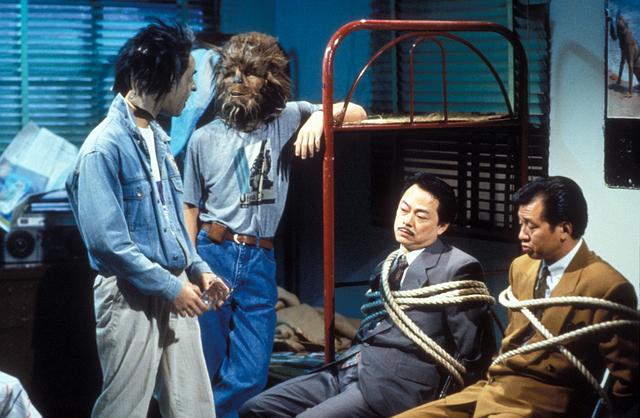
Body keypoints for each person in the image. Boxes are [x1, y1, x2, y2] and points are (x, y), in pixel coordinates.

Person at [182, 32, 367, 418]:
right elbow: (190, 207)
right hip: (212, 253)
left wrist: (318, 116)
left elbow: (358, 112)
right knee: (206, 365)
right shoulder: (203, 139)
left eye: (248, 73)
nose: (237, 81)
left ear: (269, 78)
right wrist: (190, 266)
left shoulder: (285, 119)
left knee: (251, 372)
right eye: (230, 72)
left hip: (259, 259)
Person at [66, 21, 228, 418]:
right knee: (124, 408)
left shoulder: (158, 138)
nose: (194, 87)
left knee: (194, 407)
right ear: (163, 78)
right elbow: (109, 244)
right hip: (130, 295)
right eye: (188, 78)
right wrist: (171, 287)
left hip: (175, 286)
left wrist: (198, 269)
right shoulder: (103, 148)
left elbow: (171, 222)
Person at [239, 173, 493, 418]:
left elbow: (474, 354)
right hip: (351, 368)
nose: (407, 221)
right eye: (404, 210)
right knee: (257, 408)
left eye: (421, 216)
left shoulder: (457, 267)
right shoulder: (387, 265)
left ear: (442, 226)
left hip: (396, 387)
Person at [394, 176, 639, 418]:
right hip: (495, 386)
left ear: (564, 230)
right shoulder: (522, 267)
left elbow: (629, 381)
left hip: (544, 403)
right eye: (520, 224)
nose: (521, 234)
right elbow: (513, 343)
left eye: (531, 226)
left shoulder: (606, 286)